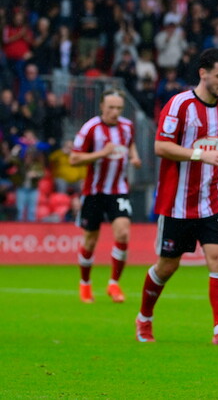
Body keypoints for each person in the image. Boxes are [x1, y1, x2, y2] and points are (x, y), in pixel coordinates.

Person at [135, 48, 218, 345]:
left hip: (214, 198)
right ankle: (144, 318)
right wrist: (200, 155)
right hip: (178, 201)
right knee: (168, 266)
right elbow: (161, 146)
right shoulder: (179, 105)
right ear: (203, 73)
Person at [69, 90, 142, 303]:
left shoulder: (127, 127)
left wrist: (134, 157)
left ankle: (113, 284)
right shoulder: (90, 128)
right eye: (110, 107)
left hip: (118, 190)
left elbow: (130, 145)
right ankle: (85, 284)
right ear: (101, 106)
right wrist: (102, 153)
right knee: (90, 240)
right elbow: (74, 159)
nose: (115, 112)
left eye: (119, 108)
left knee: (123, 234)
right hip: (94, 192)